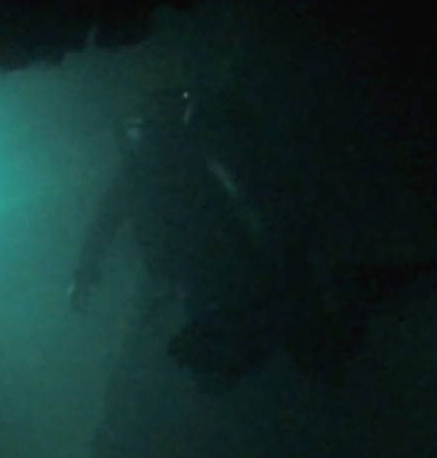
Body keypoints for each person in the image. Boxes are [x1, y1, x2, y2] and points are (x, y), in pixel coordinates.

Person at [68, 86, 292, 380]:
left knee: (231, 314)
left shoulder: (154, 165)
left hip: (200, 256)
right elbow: (105, 221)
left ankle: (235, 360)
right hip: (203, 255)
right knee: (233, 314)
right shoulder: (166, 161)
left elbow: (104, 223)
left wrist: (84, 275)